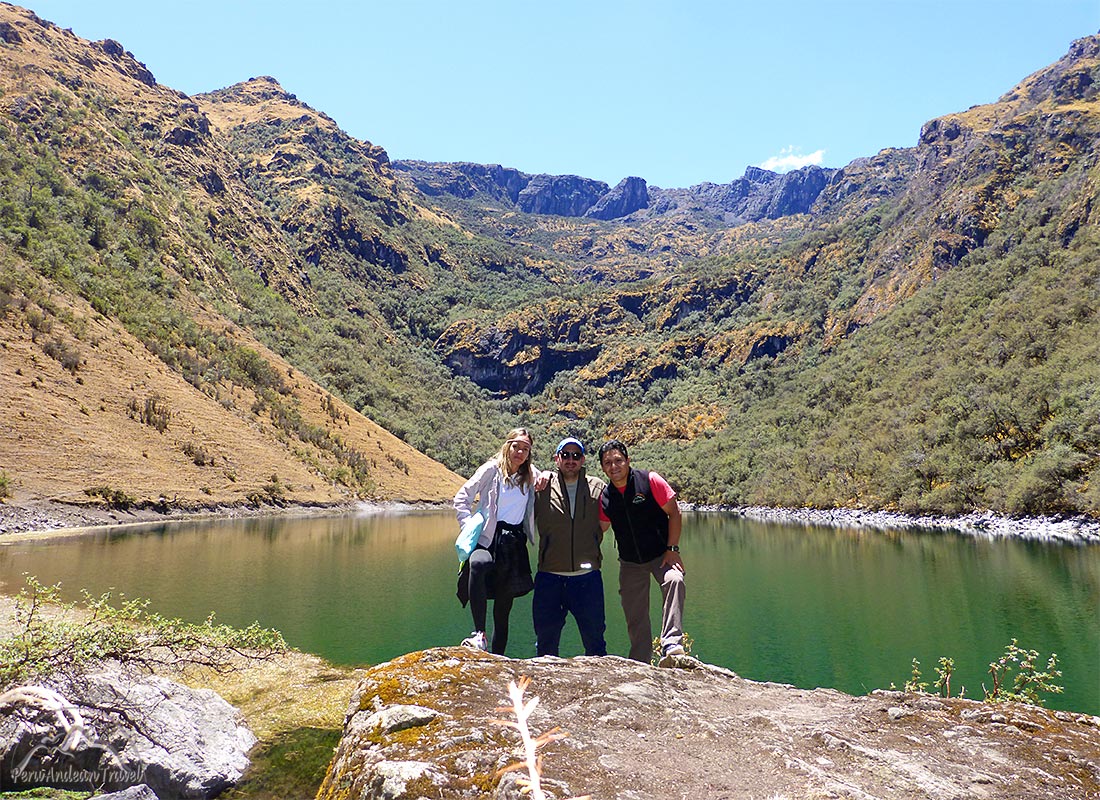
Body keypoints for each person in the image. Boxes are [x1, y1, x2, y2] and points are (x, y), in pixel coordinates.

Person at [597, 439, 686, 663]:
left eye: (618, 460)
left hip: (660, 555)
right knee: (634, 611)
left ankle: (672, 644)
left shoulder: (649, 481)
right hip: (630, 562)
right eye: (607, 462)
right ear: (602, 467)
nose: (613, 466)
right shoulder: (606, 497)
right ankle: (640, 660)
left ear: (628, 461)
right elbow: (600, 529)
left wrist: (672, 549)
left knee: (674, 580)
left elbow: (674, 512)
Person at [453, 428, 537, 655]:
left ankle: (499, 657)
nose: (520, 452)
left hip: (514, 543)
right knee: (478, 564)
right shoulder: (492, 470)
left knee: (504, 605)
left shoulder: (529, 475)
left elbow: (545, 480)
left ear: (529, 453)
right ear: (507, 446)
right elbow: (462, 497)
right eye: (516, 446)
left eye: (525, 449)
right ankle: (479, 634)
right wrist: (468, 527)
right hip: (488, 538)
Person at [532, 437, 608, 657]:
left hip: (587, 579)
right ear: (557, 459)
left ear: (583, 459)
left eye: (576, 456)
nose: (571, 460)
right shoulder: (542, 487)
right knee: (546, 645)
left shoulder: (597, 487)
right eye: (565, 455)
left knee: (595, 644)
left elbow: (610, 520)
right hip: (549, 578)